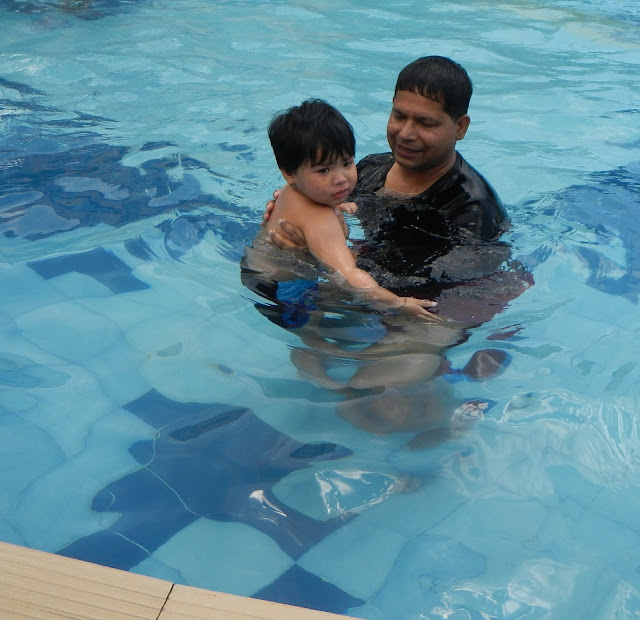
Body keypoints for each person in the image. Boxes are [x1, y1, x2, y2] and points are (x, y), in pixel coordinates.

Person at [249, 98, 439, 320]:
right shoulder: (319, 217)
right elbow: (348, 274)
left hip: (258, 272)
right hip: (286, 291)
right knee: (322, 334)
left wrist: (335, 206)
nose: (340, 179)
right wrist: (397, 302)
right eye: (324, 170)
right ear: (289, 173)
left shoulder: (292, 191)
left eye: (347, 163)